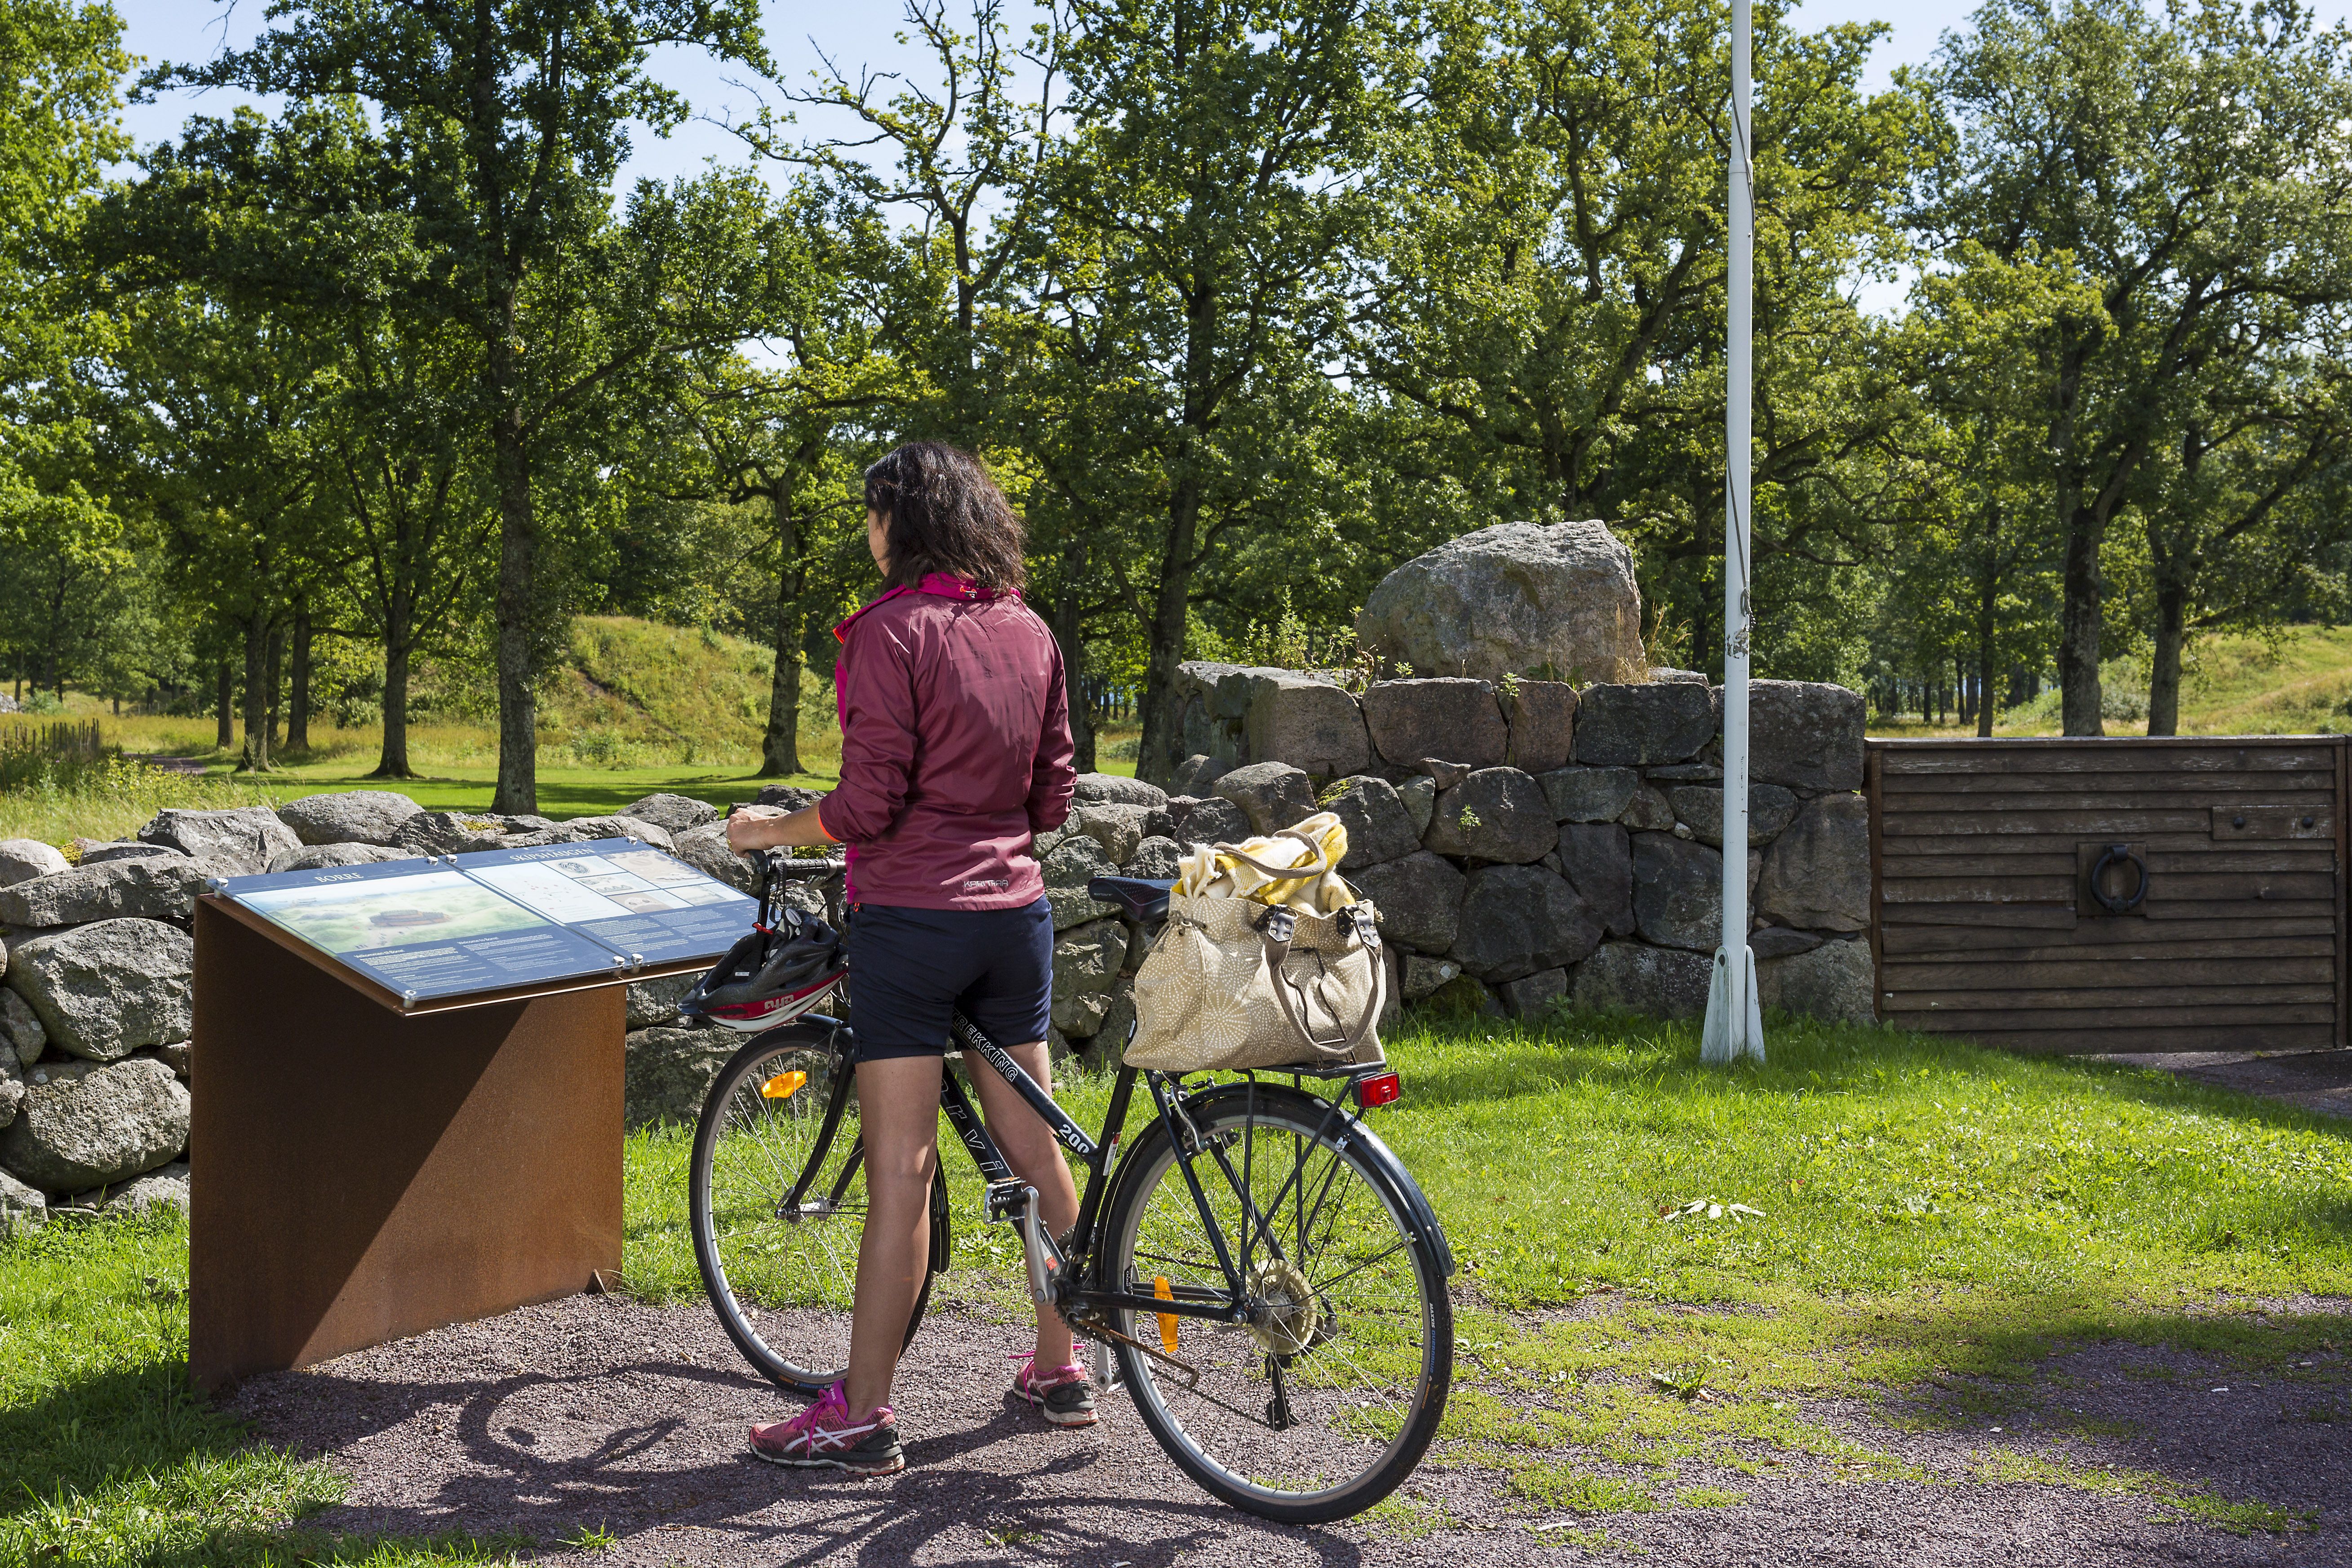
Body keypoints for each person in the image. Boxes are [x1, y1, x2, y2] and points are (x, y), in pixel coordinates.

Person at [724, 441, 1085, 1476]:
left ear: (902, 520)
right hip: (1013, 917)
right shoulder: (1028, 627)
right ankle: (1061, 1365)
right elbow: (1053, 796)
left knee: (900, 1171)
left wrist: (768, 829)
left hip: (913, 923)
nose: (867, 531)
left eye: (873, 513)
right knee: (1036, 1152)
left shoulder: (889, 631)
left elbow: (868, 803)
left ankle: (860, 1414)